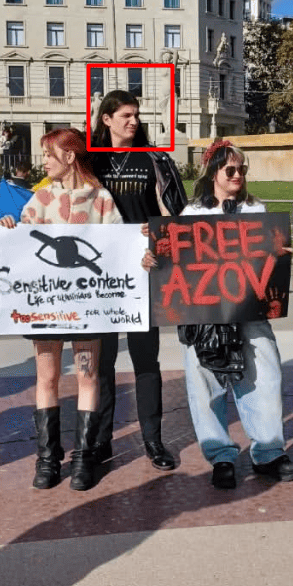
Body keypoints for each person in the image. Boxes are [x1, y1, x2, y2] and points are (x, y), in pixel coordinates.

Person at [160, 140, 293, 488]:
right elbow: (173, 261)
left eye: (242, 169)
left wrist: (279, 252)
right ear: (213, 173)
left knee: (264, 378)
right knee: (205, 385)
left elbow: (269, 258)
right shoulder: (191, 215)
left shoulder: (257, 210)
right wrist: (154, 257)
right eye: (230, 170)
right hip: (203, 315)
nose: (238, 175)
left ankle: (268, 451)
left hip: (249, 309)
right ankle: (220, 455)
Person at [0, 128, 122, 491]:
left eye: (49, 155)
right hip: (47, 308)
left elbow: (117, 245)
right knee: (47, 378)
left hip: (87, 307)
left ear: (69, 156)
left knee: (87, 376)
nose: (43, 161)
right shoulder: (39, 199)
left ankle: (83, 457)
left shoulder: (101, 199)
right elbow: (22, 246)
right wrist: (11, 228)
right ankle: (48, 458)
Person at [91, 90, 187, 471]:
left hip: (143, 271)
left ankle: (153, 440)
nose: (133, 121)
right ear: (107, 120)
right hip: (99, 277)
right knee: (102, 363)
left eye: (136, 115)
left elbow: (179, 216)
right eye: (126, 115)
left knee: (147, 359)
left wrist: (158, 232)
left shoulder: (155, 160)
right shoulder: (87, 163)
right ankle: (100, 441)